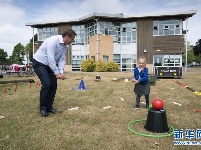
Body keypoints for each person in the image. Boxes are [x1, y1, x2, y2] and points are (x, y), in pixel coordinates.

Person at [32, 29, 76, 117]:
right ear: (67, 36)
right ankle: (43, 108)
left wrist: (61, 72)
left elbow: (61, 59)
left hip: (49, 65)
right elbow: (51, 58)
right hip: (39, 63)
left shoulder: (64, 46)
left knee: (53, 84)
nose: (72, 41)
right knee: (47, 84)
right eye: (72, 39)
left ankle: (49, 107)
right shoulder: (53, 41)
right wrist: (57, 73)